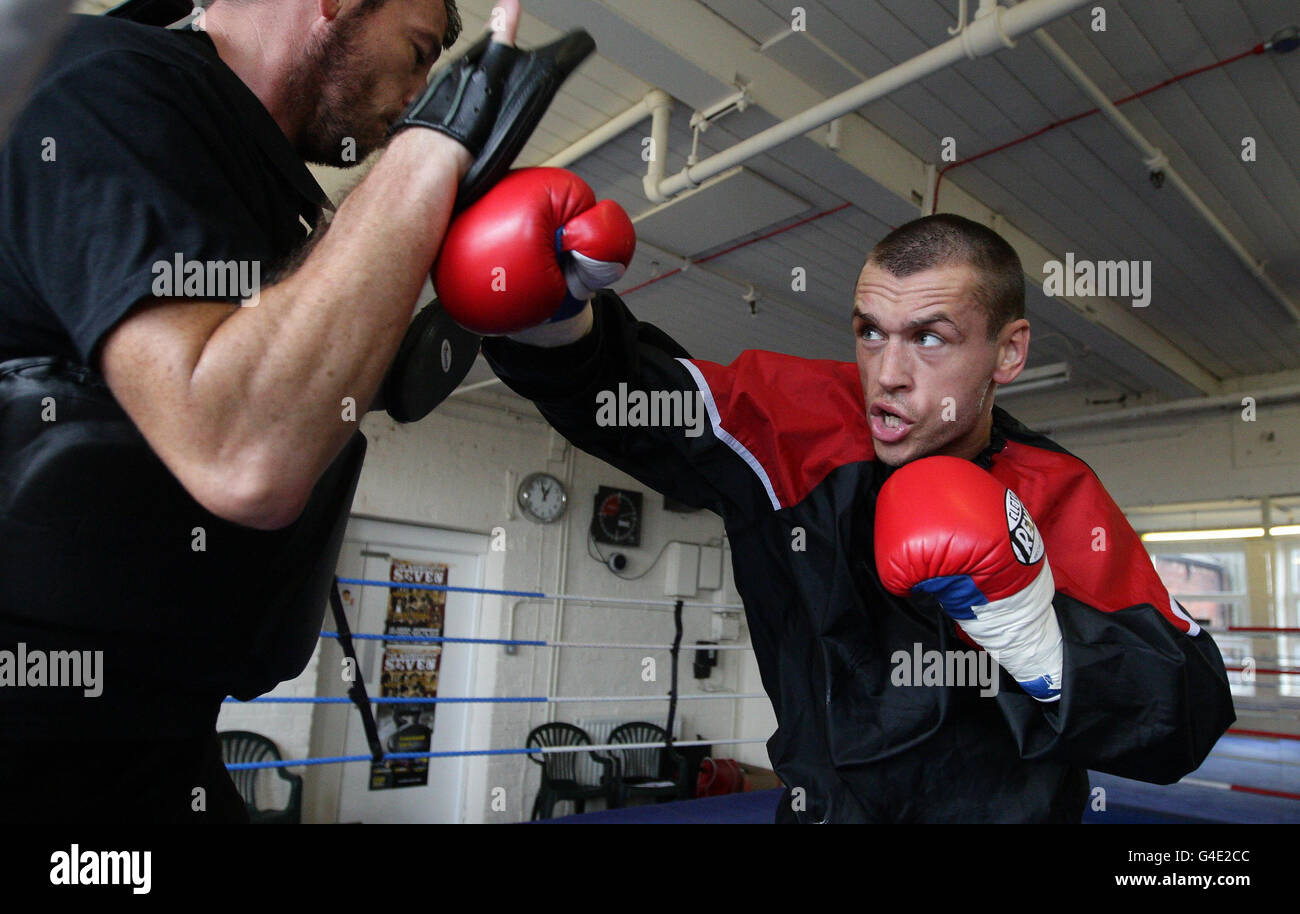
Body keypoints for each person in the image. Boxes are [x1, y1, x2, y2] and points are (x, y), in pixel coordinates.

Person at [442, 168, 1235, 822]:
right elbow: (642, 405)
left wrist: (1027, 627)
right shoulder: (799, 426)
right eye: (869, 331)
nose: (887, 374)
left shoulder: (1056, 492)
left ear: (1009, 352)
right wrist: (551, 323)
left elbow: (1186, 716)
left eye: (929, 337)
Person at [0, 0, 584, 823]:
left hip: (153, 742)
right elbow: (242, 447)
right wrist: (429, 153)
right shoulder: (104, 79)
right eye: (418, 52)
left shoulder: (278, 193)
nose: (417, 93)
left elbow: (324, 396)